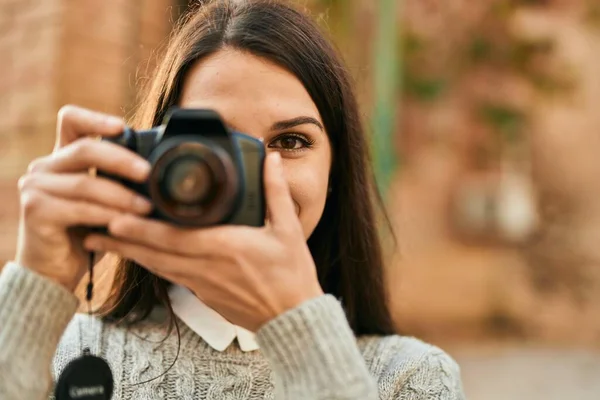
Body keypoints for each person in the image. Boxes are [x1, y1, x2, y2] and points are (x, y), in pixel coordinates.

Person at [0, 1, 465, 399]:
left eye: (291, 141)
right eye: (216, 145)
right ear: (154, 160)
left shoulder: (409, 378)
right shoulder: (57, 350)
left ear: (334, 172)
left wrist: (299, 332)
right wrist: (34, 293)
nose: (257, 175)